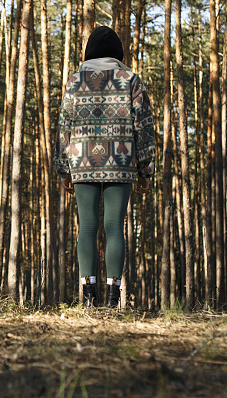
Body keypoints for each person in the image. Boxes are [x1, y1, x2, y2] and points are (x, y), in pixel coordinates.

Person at [54, 26, 156, 308]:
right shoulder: (131, 80)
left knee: (86, 227)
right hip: (121, 163)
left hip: (82, 162)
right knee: (114, 228)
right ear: (117, 53)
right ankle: (113, 297)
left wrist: (63, 167)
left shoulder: (75, 81)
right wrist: (146, 169)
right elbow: (144, 127)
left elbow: (64, 126)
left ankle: (89, 297)